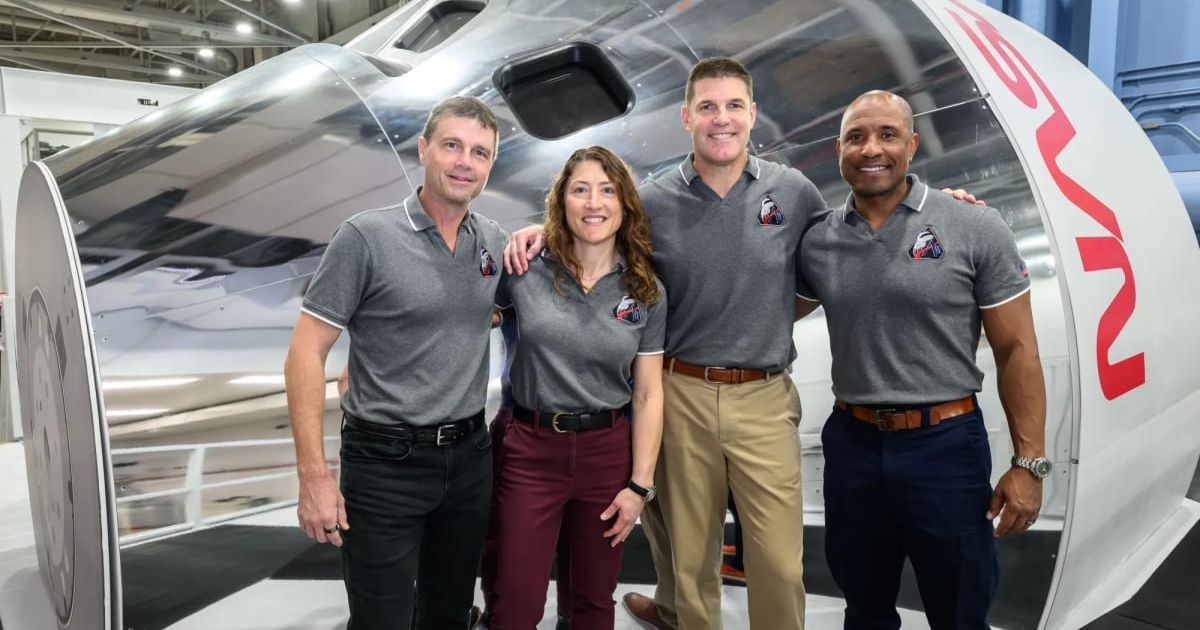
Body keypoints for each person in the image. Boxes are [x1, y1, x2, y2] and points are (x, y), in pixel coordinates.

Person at [507, 58, 819, 630]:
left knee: (777, 562)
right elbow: (595, 226)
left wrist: (944, 205)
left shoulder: (793, 192)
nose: (719, 119)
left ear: (752, 114)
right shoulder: (653, 199)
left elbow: (839, 256)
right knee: (689, 557)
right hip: (678, 390)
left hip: (763, 394)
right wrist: (537, 232)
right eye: (706, 106)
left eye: (732, 106)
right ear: (686, 117)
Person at [795, 90, 1047, 629]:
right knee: (863, 605)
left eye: (887, 135)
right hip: (854, 445)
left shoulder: (973, 225)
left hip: (945, 449)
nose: (871, 149)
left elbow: (1017, 349)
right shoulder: (817, 240)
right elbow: (759, 306)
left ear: (911, 144)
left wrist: (1029, 463)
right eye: (856, 137)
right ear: (837, 148)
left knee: (959, 608)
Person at [284, 95, 507, 630]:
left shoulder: (493, 242)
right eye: (451, 145)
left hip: (469, 458)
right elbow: (304, 354)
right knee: (381, 618)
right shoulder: (366, 237)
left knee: (449, 613)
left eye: (479, 152)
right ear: (423, 148)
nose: (463, 161)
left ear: (490, 165)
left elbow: (474, 313)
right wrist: (313, 476)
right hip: (384, 462)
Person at [489, 145, 666, 630]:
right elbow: (462, 317)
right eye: (580, 189)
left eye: (608, 190)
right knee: (516, 601)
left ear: (624, 203)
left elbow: (649, 394)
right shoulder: (524, 268)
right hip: (530, 452)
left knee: (593, 602)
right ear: (561, 201)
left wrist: (639, 487)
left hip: (606, 456)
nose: (594, 203)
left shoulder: (645, 288)